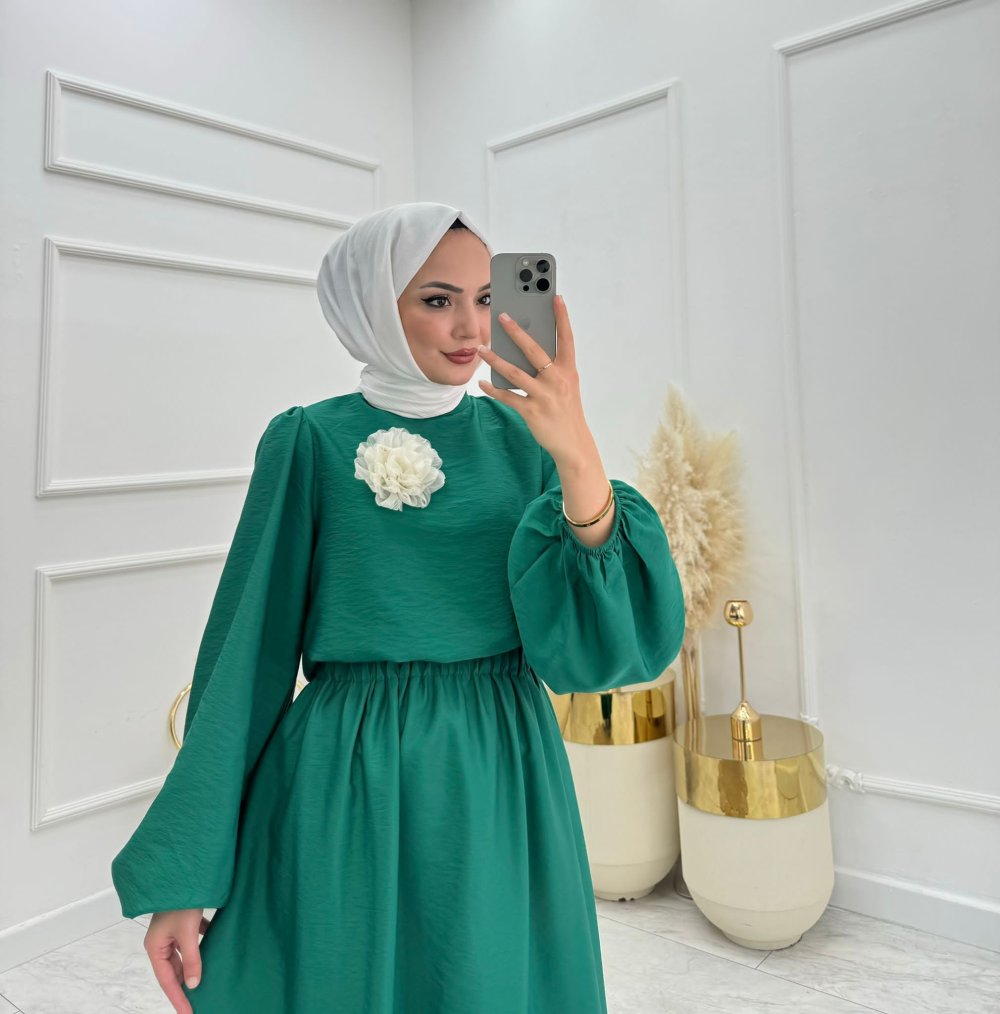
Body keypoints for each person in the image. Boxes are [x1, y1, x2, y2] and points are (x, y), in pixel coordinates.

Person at [110, 201, 686, 1013]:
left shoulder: (526, 442)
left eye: (487, 299)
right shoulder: (309, 441)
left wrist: (576, 448)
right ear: (374, 306)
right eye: (437, 299)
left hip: (498, 770)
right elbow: (245, 658)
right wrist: (185, 876)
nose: (471, 327)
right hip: (349, 778)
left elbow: (601, 655)